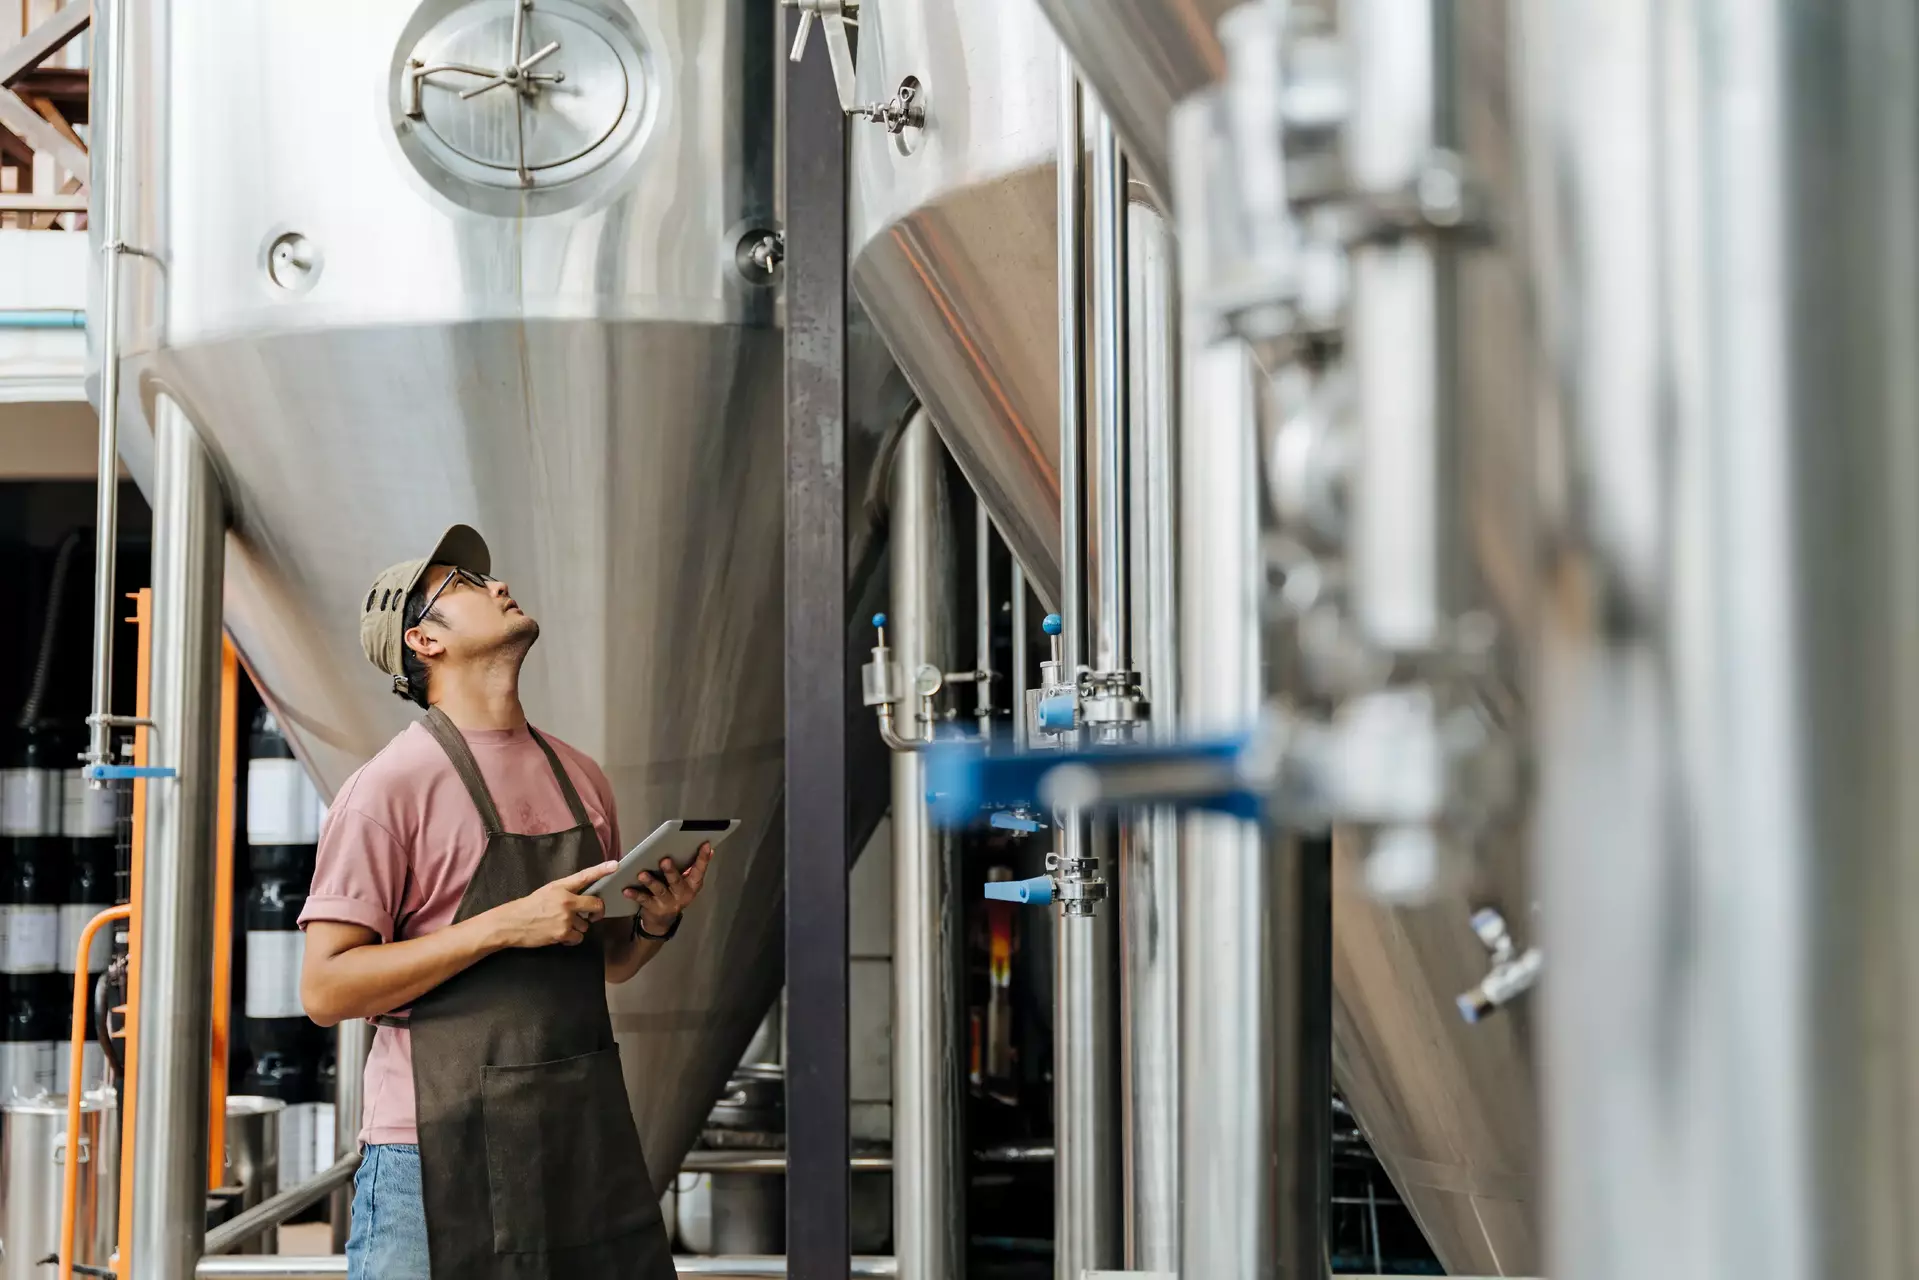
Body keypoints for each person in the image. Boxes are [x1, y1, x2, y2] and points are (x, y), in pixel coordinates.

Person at [298, 525, 706, 1280]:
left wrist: (656, 916)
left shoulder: (580, 777)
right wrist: (502, 927)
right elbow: (326, 989)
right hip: (432, 1152)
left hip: (575, 1142)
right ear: (424, 641)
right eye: (464, 585)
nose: (497, 586)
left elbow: (610, 964)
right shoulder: (387, 789)